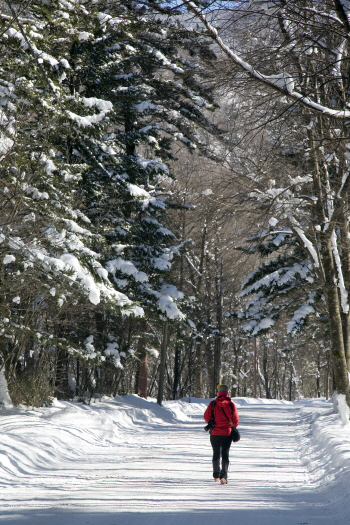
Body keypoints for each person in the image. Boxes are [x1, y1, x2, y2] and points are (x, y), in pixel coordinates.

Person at [204, 384, 239, 484]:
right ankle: (224, 477)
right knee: (225, 454)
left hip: (215, 433)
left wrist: (213, 422)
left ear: (218, 393)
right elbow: (235, 421)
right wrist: (231, 426)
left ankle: (216, 476)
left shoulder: (213, 404)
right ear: (227, 393)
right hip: (227, 434)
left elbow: (206, 417)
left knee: (216, 454)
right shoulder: (231, 405)